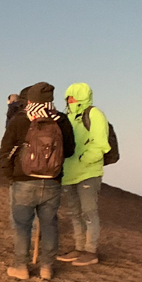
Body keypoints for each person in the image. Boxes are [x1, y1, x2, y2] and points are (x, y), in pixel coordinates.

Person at [0, 82, 76, 280]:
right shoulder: (61, 120)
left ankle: (21, 267)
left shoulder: (21, 119)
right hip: (52, 181)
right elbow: (69, 150)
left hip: (23, 180)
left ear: (30, 99)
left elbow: (6, 148)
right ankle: (46, 268)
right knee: (49, 224)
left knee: (22, 225)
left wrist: (11, 174)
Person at [58, 83, 110, 266]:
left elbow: (101, 143)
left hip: (88, 172)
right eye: (68, 97)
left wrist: (84, 159)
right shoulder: (66, 117)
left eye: (72, 96)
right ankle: (79, 248)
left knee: (89, 212)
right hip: (69, 173)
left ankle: (90, 251)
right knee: (74, 212)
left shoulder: (94, 114)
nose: (69, 100)